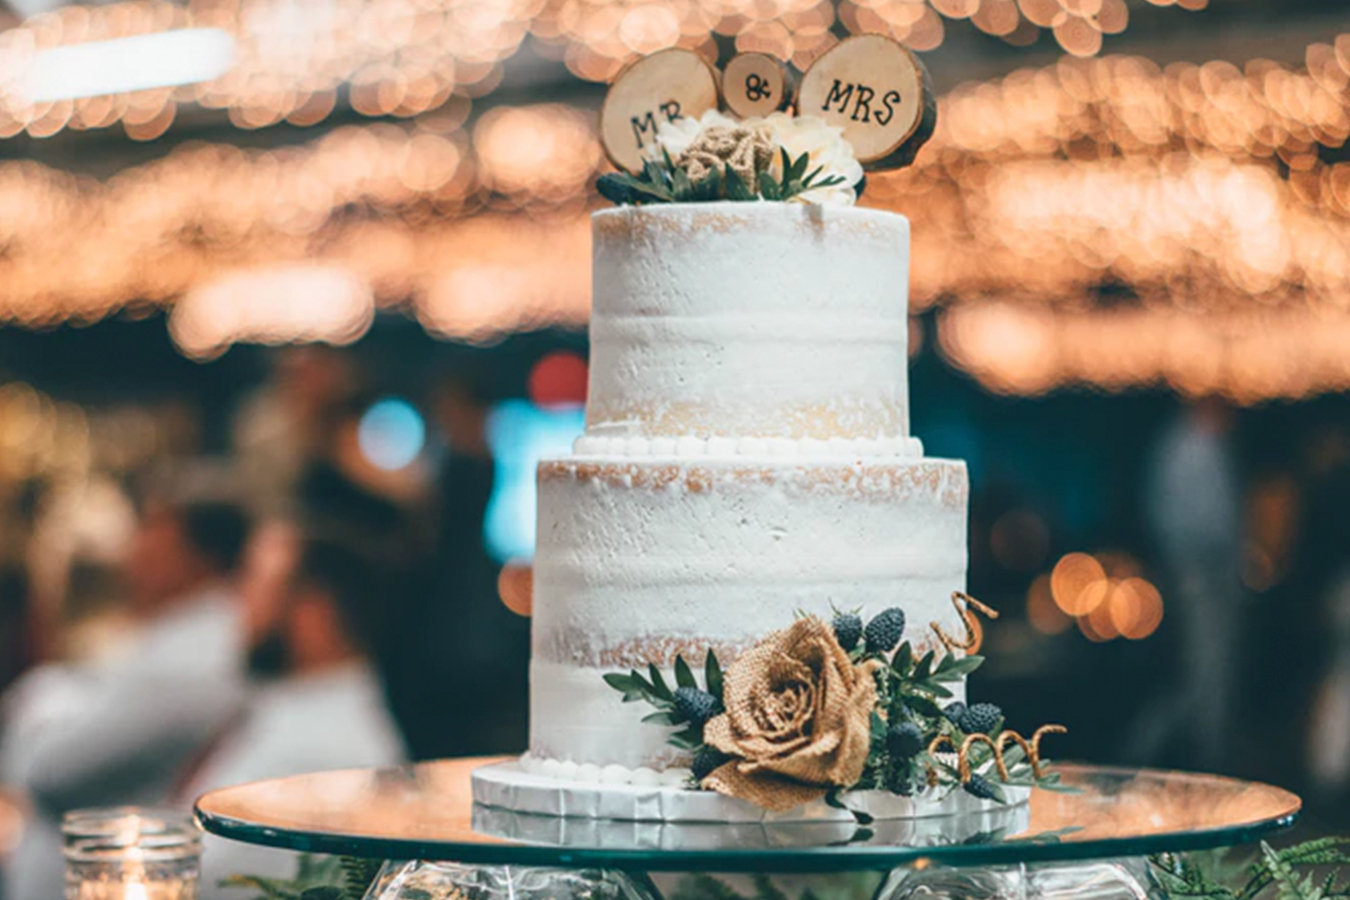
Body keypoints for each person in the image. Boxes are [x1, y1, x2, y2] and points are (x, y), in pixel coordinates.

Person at [0, 499, 252, 900]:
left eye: (152, 547)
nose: (130, 559)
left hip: (102, 876)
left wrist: (34, 710)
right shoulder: (174, 639)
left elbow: (50, 769)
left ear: (200, 558)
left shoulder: (193, 658)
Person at [180, 533, 407, 897]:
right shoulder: (288, 708)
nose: (236, 603)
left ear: (314, 612)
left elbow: (192, 877)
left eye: (254, 581)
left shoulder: (327, 753)